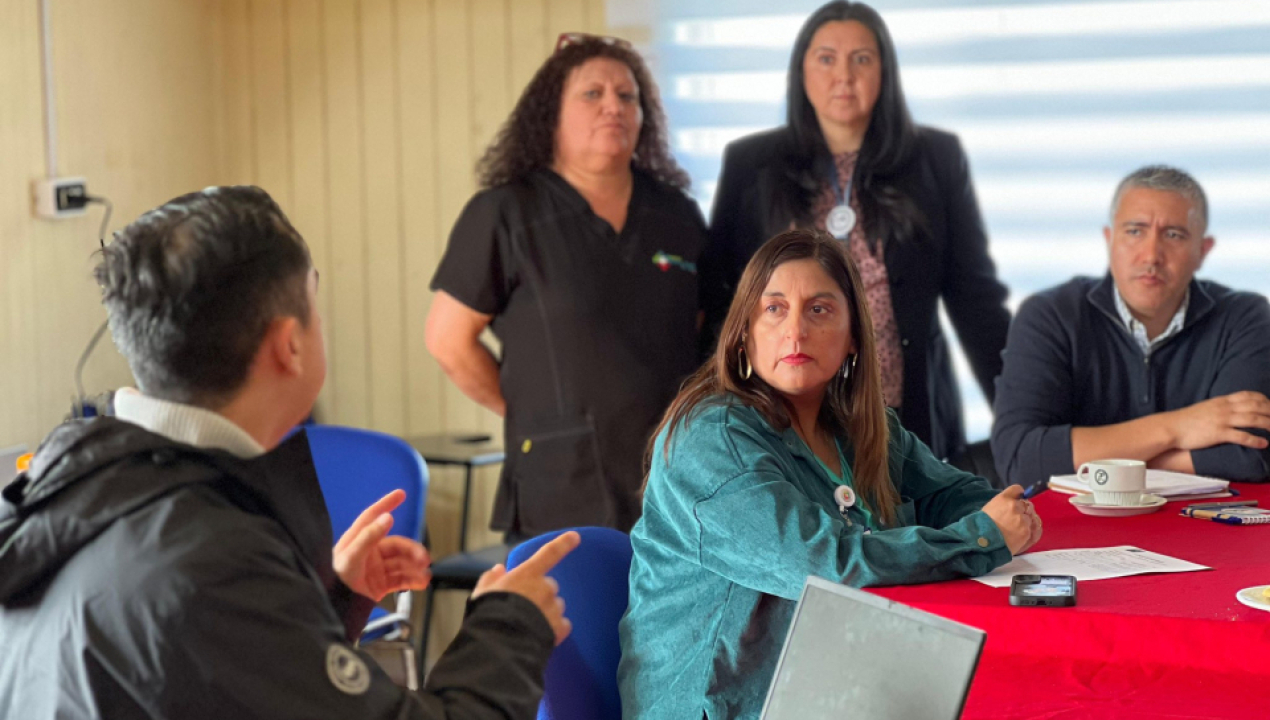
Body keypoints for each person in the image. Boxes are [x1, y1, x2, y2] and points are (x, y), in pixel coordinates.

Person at [0, 186, 581, 720]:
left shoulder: (68, 493)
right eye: (314, 306)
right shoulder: (211, 557)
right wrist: (512, 625)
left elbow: (219, 681)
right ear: (290, 345)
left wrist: (328, 603)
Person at [618, 230, 1040, 718]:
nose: (795, 331)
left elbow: (950, 496)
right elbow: (826, 566)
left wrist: (996, 518)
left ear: (854, 336)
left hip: (835, 683)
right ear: (744, 332)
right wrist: (982, 538)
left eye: (819, 310)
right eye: (774, 309)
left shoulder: (860, 427)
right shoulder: (712, 439)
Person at [699, 1, 1010, 462]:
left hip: (903, 412)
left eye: (861, 59)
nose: (843, 76)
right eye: (826, 59)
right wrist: (721, 415)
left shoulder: (935, 158)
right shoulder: (751, 163)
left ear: (885, 71)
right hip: (784, 414)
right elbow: (723, 297)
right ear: (801, 72)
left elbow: (975, 298)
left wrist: (1023, 414)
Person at [426, 34, 707, 540]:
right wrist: (532, 414)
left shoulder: (677, 214)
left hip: (675, 477)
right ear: (550, 115)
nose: (613, 107)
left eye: (627, 96)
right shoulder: (504, 214)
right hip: (560, 482)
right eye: (592, 94)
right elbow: (448, 341)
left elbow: (708, 329)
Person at [992, 166, 1270, 487]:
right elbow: (1021, 460)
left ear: (1202, 251)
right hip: (1075, 518)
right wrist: (1178, 427)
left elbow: (1252, 454)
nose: (1151, 255)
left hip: (1203, 517)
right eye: (1135, 231)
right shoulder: (1050, 315)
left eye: (1173, 235)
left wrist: (1093, 460)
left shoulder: (1244, 317)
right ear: (1109, 240)